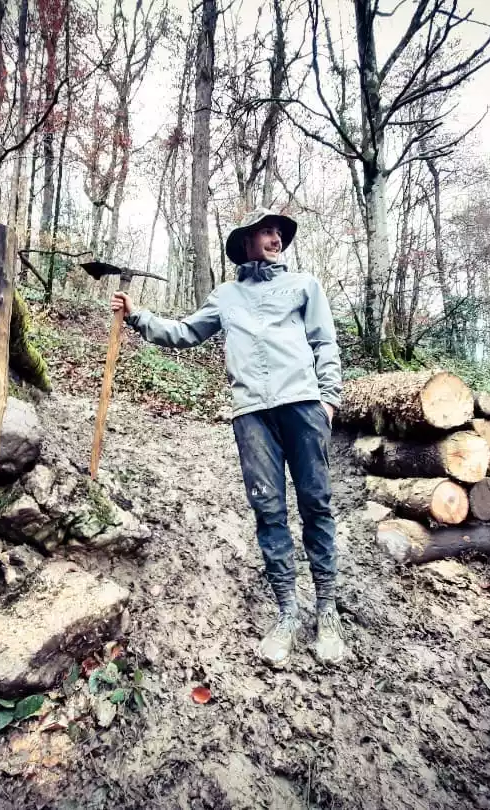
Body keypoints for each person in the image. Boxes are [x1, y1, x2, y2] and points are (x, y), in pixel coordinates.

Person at [110, 208, 346, 667]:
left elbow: (325, 344)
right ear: (246, 243)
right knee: (269, 511)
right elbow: (183, 333)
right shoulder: (227, 296)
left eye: (279, 232)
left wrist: (328, 400)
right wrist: (139, 316)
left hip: (303, 405)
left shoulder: (304, 286)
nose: (275, 238)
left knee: (316, 504)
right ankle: (287, 613)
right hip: (252, 414)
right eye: (266, 232)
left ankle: (327, 608)